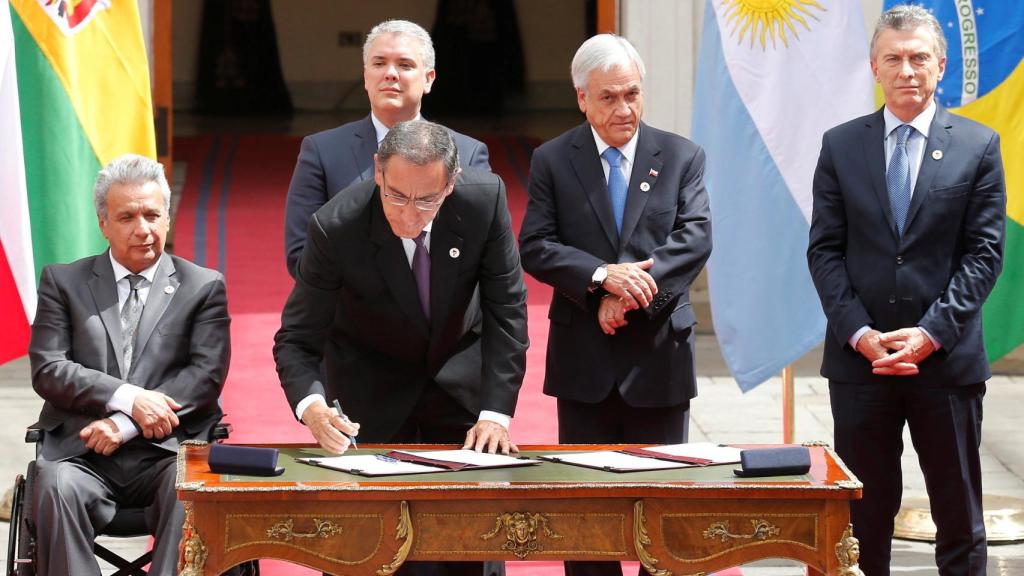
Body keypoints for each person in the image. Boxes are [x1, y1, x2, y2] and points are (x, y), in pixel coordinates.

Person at [274, 120, 528, 575]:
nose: (409, 215)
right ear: (377, 171)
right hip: (372, 393)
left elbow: (507, 312)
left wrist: (495, 413)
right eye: (396, 196)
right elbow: (296, 337)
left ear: (450, 185)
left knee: (472, 547)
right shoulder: (337, 226)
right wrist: (312, 407)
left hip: (461, 392)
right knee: (377, 554)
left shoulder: (483, 202)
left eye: (427, 199)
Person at [807, 6, 1005, 575]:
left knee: (959, 519)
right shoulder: (841, 146)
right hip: (860, 364)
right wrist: (860, 333)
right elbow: (824, 250)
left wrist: (930, 334)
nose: (907, 70)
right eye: (893, 58)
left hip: (945, 366)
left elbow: (984, 254)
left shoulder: (977, 145)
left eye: (919, 58)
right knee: (862, 522)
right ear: (874, 66)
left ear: (941, 66)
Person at [517, 34, 712, 576]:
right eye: (608, 98)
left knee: (662, 508)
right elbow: (536, 244)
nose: (623, 109)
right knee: (586, 513)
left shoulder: (680, 155)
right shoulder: (553, 159)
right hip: (585, 358)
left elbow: (694, 239)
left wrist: (628, 298)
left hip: (658, 354)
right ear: (582, 97)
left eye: (632, 94)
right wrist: (601, 280)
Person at [28, 154, 231, 575]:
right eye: (127, 217)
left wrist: (125, 424)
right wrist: (129, 398)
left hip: (166, 454)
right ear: (103, 223)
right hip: (82, 454)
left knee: (190, 490)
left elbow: (204, 376)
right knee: (52, 486)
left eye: (153, 215)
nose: (143, 229)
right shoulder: (63, 283)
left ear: (168, 218)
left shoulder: (202, 286)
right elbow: (49, 368)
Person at [284, 19, 490, 278]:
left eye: (404, 65)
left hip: (441, 308)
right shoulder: (321, 151)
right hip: (351, 311)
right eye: (379, 63)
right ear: (365, 76)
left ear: (428, 79)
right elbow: (301, 254)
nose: (390, 73)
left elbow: (483, 247)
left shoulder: (467, 152)